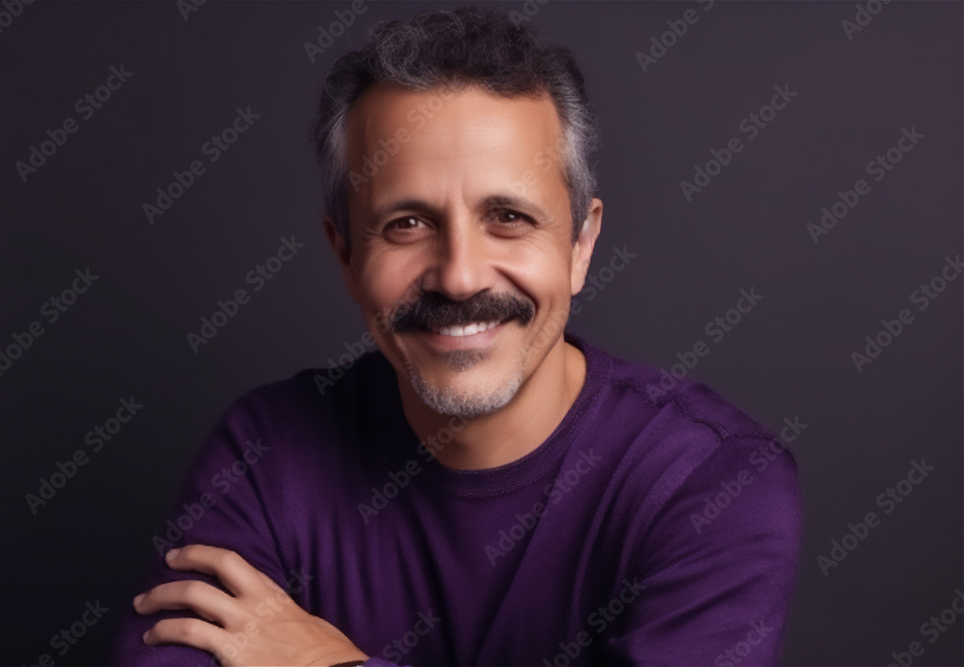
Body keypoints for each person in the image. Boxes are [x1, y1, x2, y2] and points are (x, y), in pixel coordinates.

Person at [111, 6, 801, 666]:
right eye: (407, 223)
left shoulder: (711, 482)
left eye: (507, 216)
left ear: (581, 244)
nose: (461, 276)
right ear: (345, 254)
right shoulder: (267, 453)